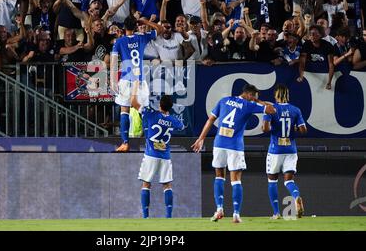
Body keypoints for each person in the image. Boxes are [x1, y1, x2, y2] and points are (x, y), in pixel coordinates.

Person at [191, 84, 276, 223]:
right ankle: (236, 214)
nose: (254, 99)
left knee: (219, 176)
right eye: (254, 96)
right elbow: (271, 109)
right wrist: (257, 102)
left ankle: (219, 209)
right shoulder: (248, 105)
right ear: (249, 95)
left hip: (219, 144)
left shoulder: (224, 100)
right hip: (235, 146)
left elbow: (210, 120)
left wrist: (201, 138)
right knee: (235, 179)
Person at [130, 80, 184, 219]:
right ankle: (168, 216)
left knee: (146, 183)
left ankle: (146, 216)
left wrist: (135, 87)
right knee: (167, 185)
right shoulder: (173, 120)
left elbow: (133, 103)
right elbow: (181, 126)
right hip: (165, 156)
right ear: (170, 107)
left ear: (160, 105)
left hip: (151, 154)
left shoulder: (151, 114)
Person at [110, 14, 165, 152]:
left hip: (126, 80)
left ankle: (125, 143)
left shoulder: (119, 42)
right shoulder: (142, 37)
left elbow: (113, 62)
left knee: (124, 111)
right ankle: (150, 143)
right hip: (139, 81)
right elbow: (161, 29)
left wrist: (113, 81)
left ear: (123, 27)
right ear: (135, 26)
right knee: (143, 111)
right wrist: (145, 21)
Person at [262, 84, 307, 219]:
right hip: (291, 150)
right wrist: (293, 129)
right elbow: (304, 130)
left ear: (276, 95)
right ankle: (296, 196)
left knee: (272, 180)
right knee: (288, 180)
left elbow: (265, 129)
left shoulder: (271, 109)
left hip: (276, 150)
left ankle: (276, 213)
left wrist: (270, 124)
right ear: (287, 95)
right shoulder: (295, 110)